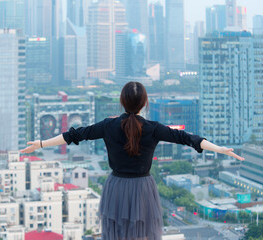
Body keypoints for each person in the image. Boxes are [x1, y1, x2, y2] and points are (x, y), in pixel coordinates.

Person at [20, 81, 244, 240]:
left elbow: (74, 135)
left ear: (122, 101)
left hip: (116, 187)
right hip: (143, 189)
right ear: (144, 102)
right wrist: (220, 149)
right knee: (143, 234)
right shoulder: (153, 128)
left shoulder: (108, 125)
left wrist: (40, 144)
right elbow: (187, 138)